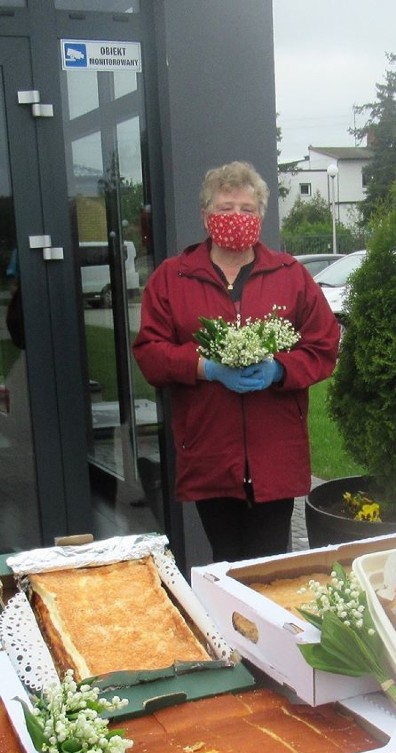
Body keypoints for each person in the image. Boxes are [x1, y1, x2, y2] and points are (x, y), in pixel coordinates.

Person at [133, 161, 339, 563]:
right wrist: (204, 367)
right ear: (206, 215)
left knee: (269, 560)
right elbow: (150, 353)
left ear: (261, 216)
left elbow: (324, 345)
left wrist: (280, 369)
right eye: (226, 208)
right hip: (210, 450)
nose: (237, 218)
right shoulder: (172, 278)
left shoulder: (290, 275)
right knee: (224, 560)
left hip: (275, 450)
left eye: (247, 209)